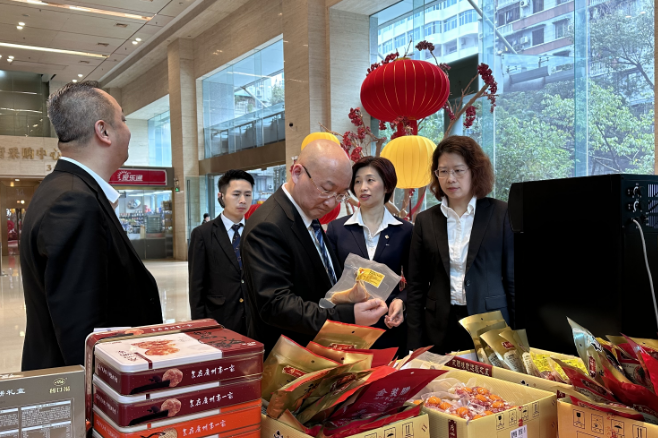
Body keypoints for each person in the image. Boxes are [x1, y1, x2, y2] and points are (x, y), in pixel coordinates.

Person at [20, 81, 163, 371]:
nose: (128, 130)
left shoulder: (61, 188)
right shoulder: (74, 201)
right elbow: (83, 335)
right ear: (103, 131)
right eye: (123, 119)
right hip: (87, 387)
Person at [241, 140, 389, 353]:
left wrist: (345, 297)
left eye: (340, 195)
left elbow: (315, 286)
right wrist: (347, 315)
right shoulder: (268, 225)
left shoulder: (307, 213)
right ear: (297, 173)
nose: (331, 203)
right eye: (326, 190)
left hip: (317, 351)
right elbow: (276, 306)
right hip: (288, 356)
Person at [406, 136, 514, 354]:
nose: (450, 179)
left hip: (490, 322)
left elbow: (513, 279)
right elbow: (416, 285)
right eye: (443, 171)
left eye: (458, 170)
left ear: (475, 171)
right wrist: (414, 344)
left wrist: (522, 333)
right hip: (439, 324)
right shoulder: (425, 220)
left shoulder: (501, 214)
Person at [326, 156, 412, 352]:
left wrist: (400, 301)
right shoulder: (337, 229)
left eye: (370, 180)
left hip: (389, 324)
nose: (362, 187)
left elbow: (415, 281)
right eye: (357, 181)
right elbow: (330, 279)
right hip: (348, 325)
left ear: (387, 185)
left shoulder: (404, 230)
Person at [188, 170, 254, 334]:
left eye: (247, 194)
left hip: (254, 320)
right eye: (236, 194)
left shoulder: (257, 230)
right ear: (221, 196)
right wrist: (200, 326)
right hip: (220, 318)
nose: (243, 200)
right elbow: (196, 285)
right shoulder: (203, 234)